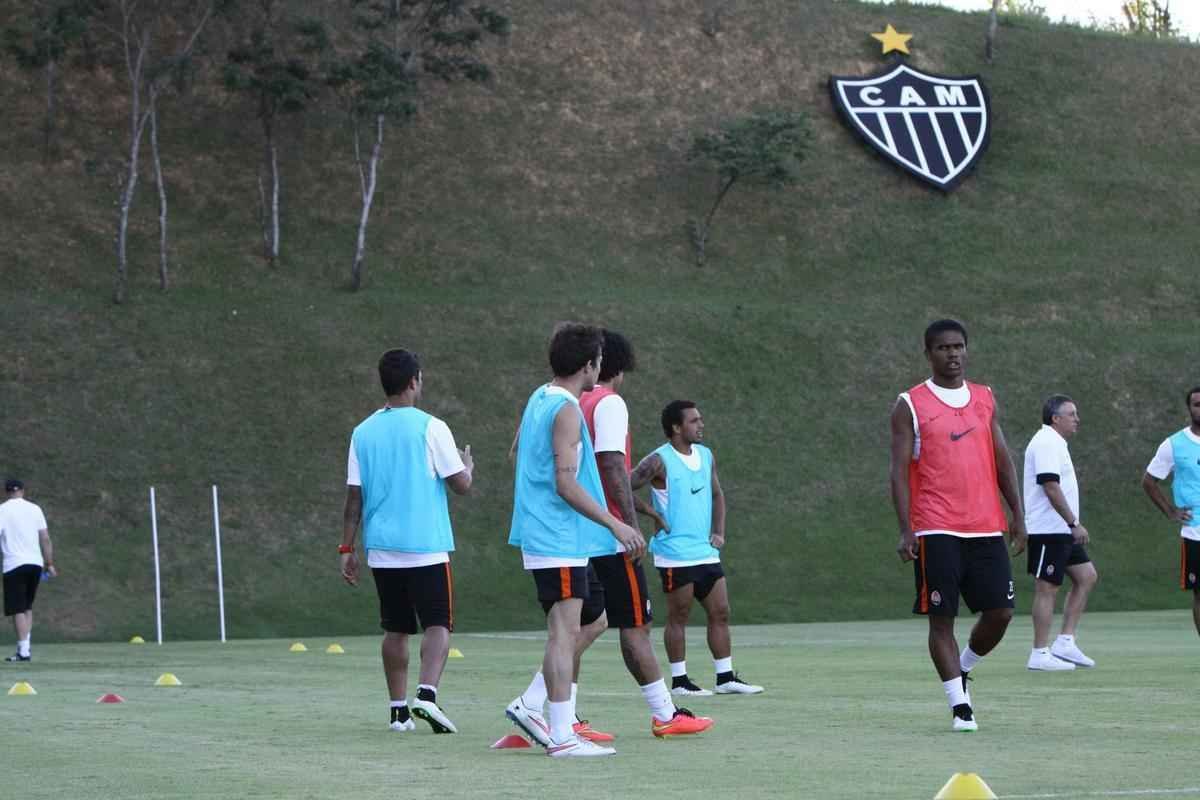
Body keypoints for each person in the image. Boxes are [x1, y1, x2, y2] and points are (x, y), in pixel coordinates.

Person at [507, 323, 647, 758]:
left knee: (571, 629)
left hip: (544, 532)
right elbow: (566, 484)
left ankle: (551, 722)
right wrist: (615, 524)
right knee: (564, 634)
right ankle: (562, 735)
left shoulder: (540, 396)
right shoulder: (566, 410)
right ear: (588, 365)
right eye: (598, 361)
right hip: (557, 535)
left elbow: (517, 454)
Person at [889, 319, 1026, 732]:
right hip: (936, 527)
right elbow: (898, 472)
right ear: (928, 354)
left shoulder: (984, 397)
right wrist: (906, 528)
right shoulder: (909, 404)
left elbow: (1002, 459)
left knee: (1001, 613)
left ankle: (963, 668)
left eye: (959, 346)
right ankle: (960, 707)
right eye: (944, 348)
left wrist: (1018, 514)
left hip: (985, 525)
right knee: (942, 618)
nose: (953, 354)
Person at [339, 349, 473, 735]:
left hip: (382, 549)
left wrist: (346, 549)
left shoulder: (362, 432)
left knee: (395, 628)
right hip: (426, 545)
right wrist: (467, 466)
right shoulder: (432, 427)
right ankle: (426, 695)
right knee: (438, 624)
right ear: (414, 381)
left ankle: (398, 712)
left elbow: (353, 498)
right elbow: (460, 485)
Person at [630, 401, 762, 696]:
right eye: (694, 421)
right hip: (674, 554)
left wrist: (719, 532)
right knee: (679, 616)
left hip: (705, 551)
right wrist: (652, 514)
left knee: (721, 611)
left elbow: (717, 494)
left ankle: (725, 678)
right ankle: (680, 682)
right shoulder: (658, 460)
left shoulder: (706, 455)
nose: (701, 425)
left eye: (700, 419)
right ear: (676, 427)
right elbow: (621, 486)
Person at [1023, 394, 1098, 670]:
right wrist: (1073, 523)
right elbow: (1050, 486)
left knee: (1086, 576)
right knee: (1047, 588)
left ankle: (1065, 642)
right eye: (1072, 414)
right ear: (1055, 418)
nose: (1077, 419)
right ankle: (1039, 653)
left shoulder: (1056, 442)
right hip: (1048, 529)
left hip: (1060, 529)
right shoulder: (1045, 442)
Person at [1141, 386, 1200, 638]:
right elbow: (1149, 481)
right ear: (1189, 408)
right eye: (1197, 404)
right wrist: (1171, 511)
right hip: (1195, 531)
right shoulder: (1174, 444)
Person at [1, 479, 55, 663]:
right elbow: (45, 538)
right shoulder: (35, 509)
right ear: (22, 491)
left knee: (17, 608)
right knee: (27, 607)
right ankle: (25, 647)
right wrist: (49, 563)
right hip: (35, 563)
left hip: (14, 563)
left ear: (6, 492)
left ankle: (23, 651)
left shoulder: (3, 510)